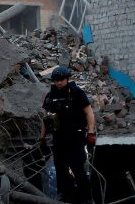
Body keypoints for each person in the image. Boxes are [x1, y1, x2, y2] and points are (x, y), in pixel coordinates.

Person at [39, 66, 96, 204]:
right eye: (56, 80)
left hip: (76, 137)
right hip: (59, 138)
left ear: (67, 78)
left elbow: (89, 113)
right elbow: (45, 119)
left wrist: (90, 132)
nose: (59, 83)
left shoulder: (77, 93)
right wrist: (42, 138)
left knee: (78, 167)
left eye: (61, 80)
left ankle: (86, 198)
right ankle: (65, 197)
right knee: (61, 169)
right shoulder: (50, 96)